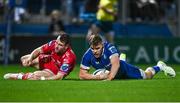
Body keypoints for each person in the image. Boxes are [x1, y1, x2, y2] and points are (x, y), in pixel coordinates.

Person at [79, 35, 176, 80]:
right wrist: (98, 77)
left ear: (102, 45)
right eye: (92, 48)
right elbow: (82, 75)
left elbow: (115, 65)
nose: (95, 51)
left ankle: (160, 66)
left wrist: (108, 79)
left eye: (97, 48)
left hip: (123, 68)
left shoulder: (109, 48)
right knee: (102, 73)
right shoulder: (88, 54)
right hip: (107, 70)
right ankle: (121, 59)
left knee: (147, 76)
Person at [4, 34, 76, 80]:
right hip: (49, 60)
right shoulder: (54, 43)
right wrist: (30, 58)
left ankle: (19, 76)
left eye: (60, 45)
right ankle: (29, 74)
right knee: (24, 59)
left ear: (66, 46)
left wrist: (43, 79)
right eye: (57, 42)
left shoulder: (69, 57)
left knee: (35, 76)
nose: (56, 46)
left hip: (55, 71)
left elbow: (59, 76)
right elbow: (39, 50)